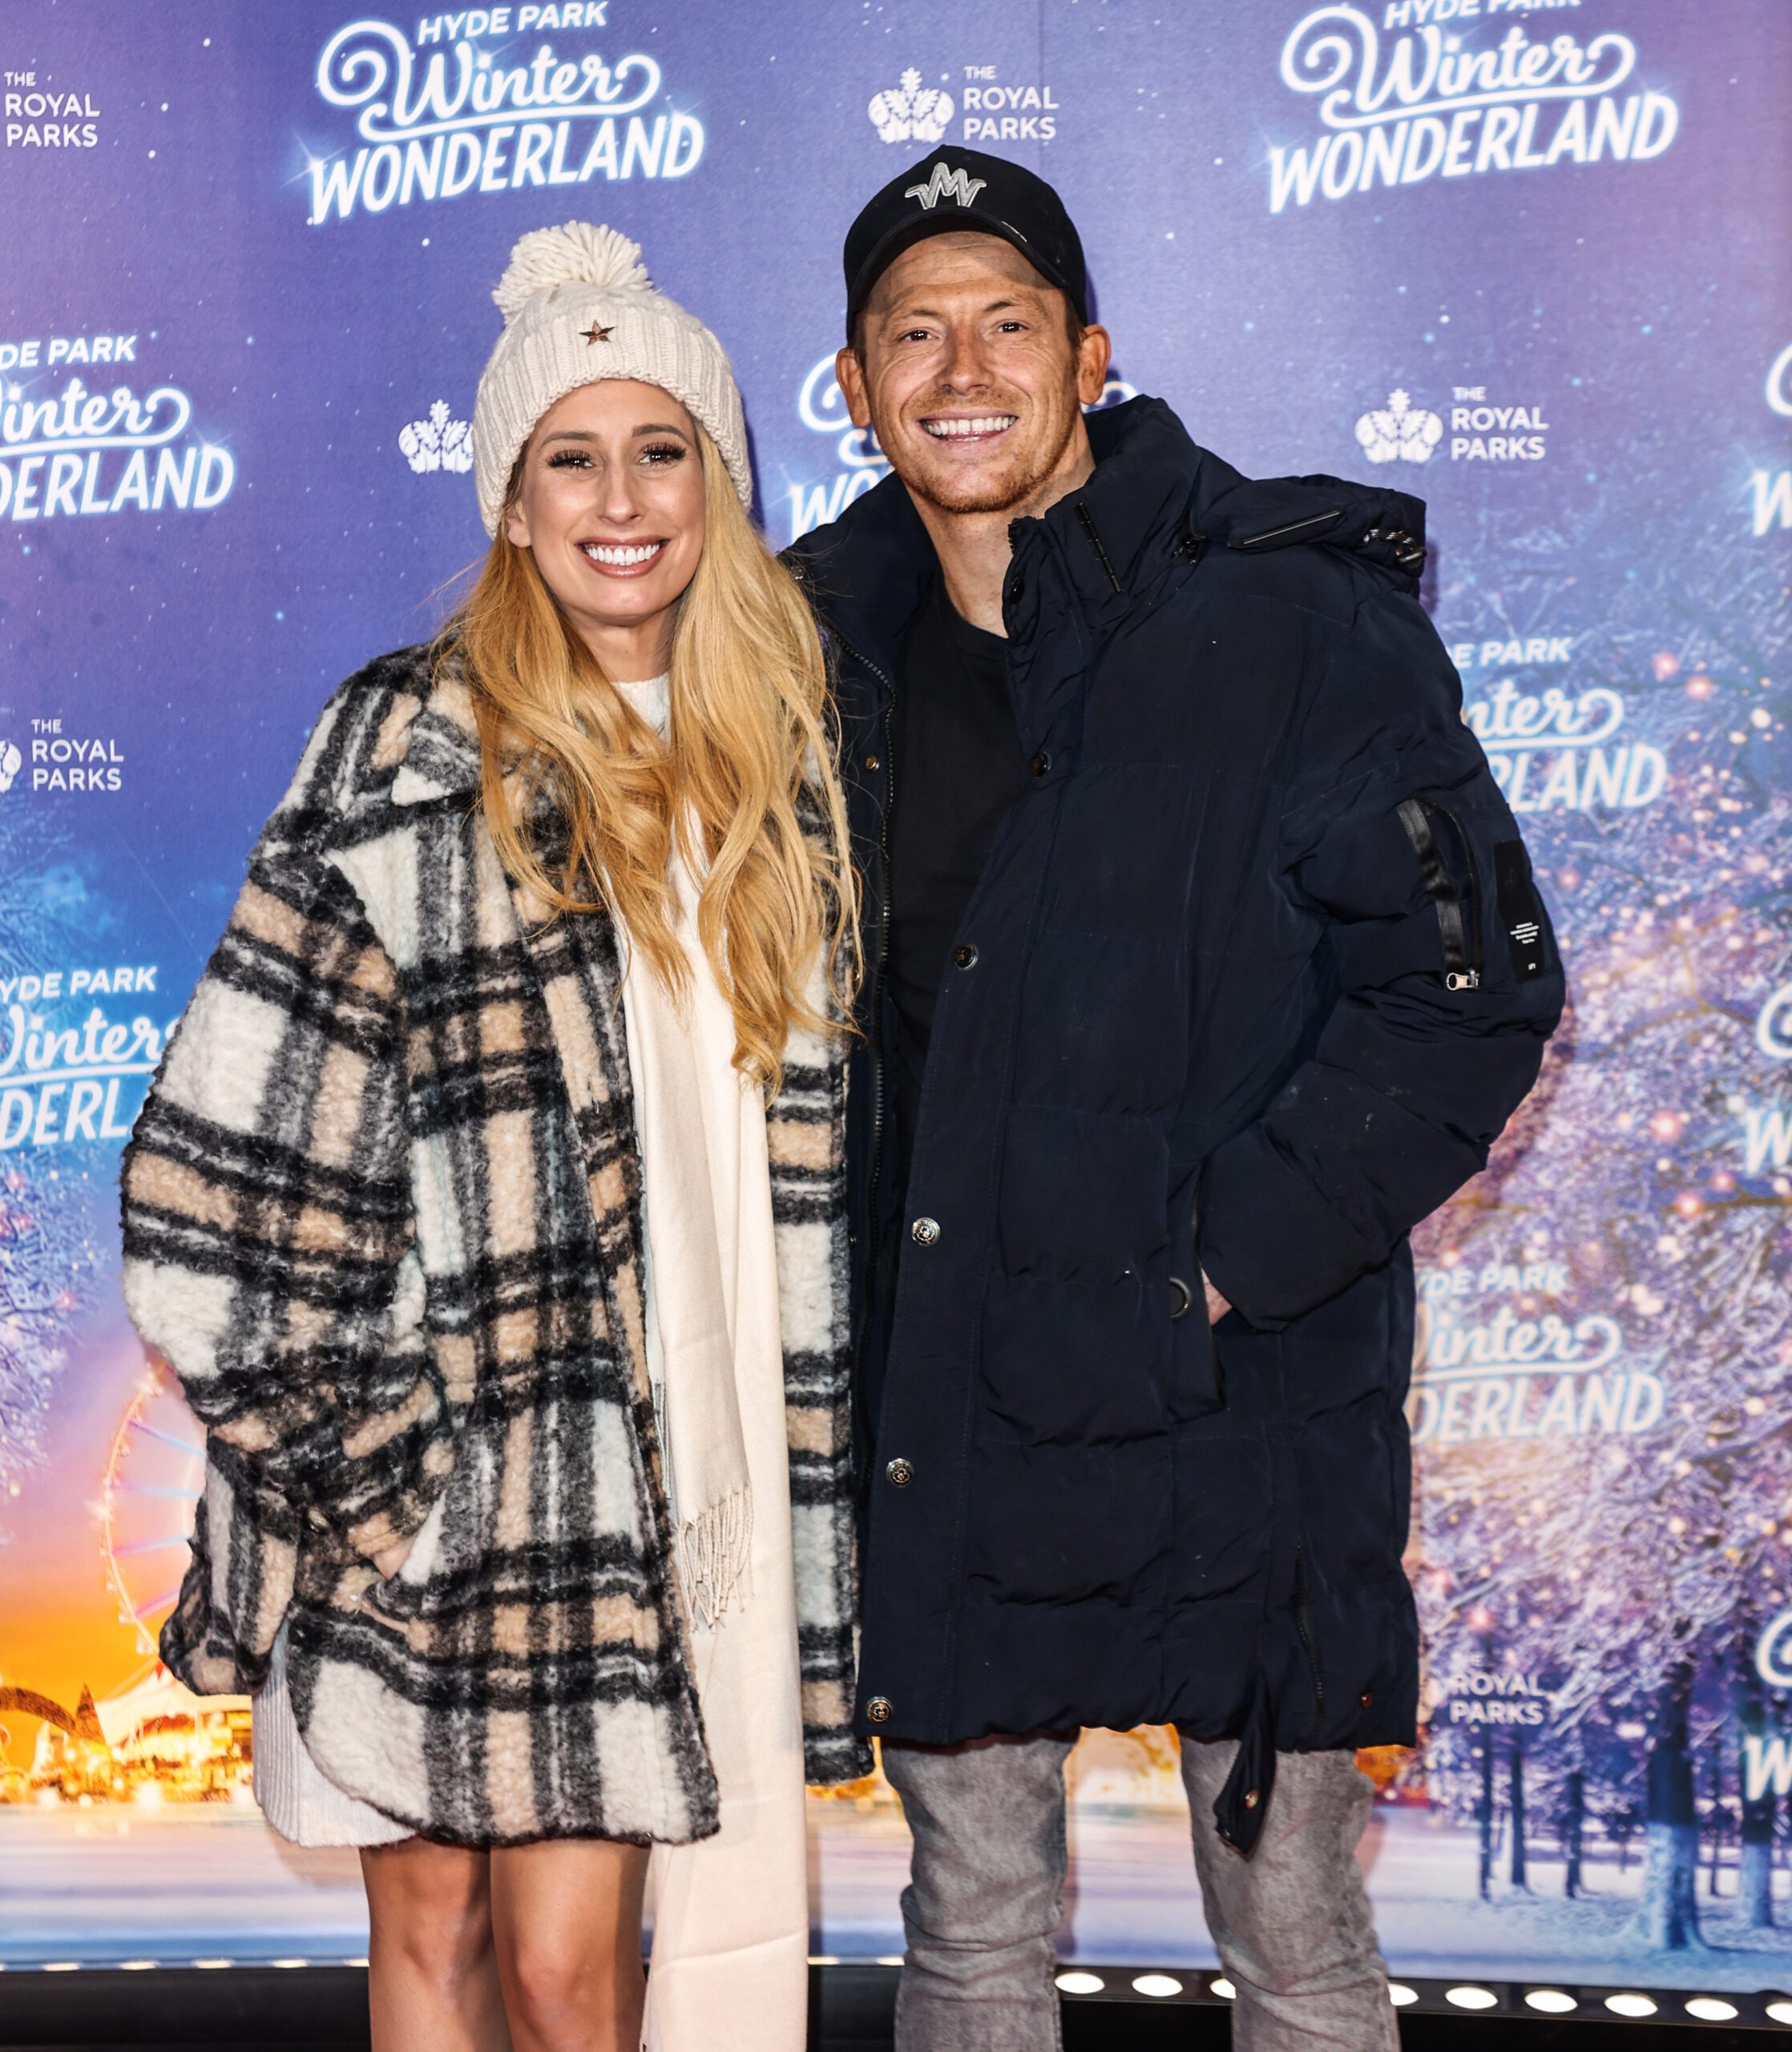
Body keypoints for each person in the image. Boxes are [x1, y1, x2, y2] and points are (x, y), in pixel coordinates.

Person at [785, 149, 1564, 2051]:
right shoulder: (802, 652)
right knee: (969, 1931)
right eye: (913, 332)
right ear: (854, 380)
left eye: (1005, 323)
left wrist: (1212, 1263)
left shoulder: (1292, 622)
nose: (960, 369)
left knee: (1290, 1936)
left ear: (1089, 353)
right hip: (950, 1403)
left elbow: (1470, 990)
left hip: (1243, 1419)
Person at [121, 222, 866, 2052]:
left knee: (582, 1977)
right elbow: (210, 1174)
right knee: (458, 1947)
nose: (622, 499)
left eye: (661, 448)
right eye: (570, 457)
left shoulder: (780, 755)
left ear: (720, 477)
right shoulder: (403, 742)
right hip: (447, 1473)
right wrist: (380, 1464)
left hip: (686, 1473)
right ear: (512, 504)